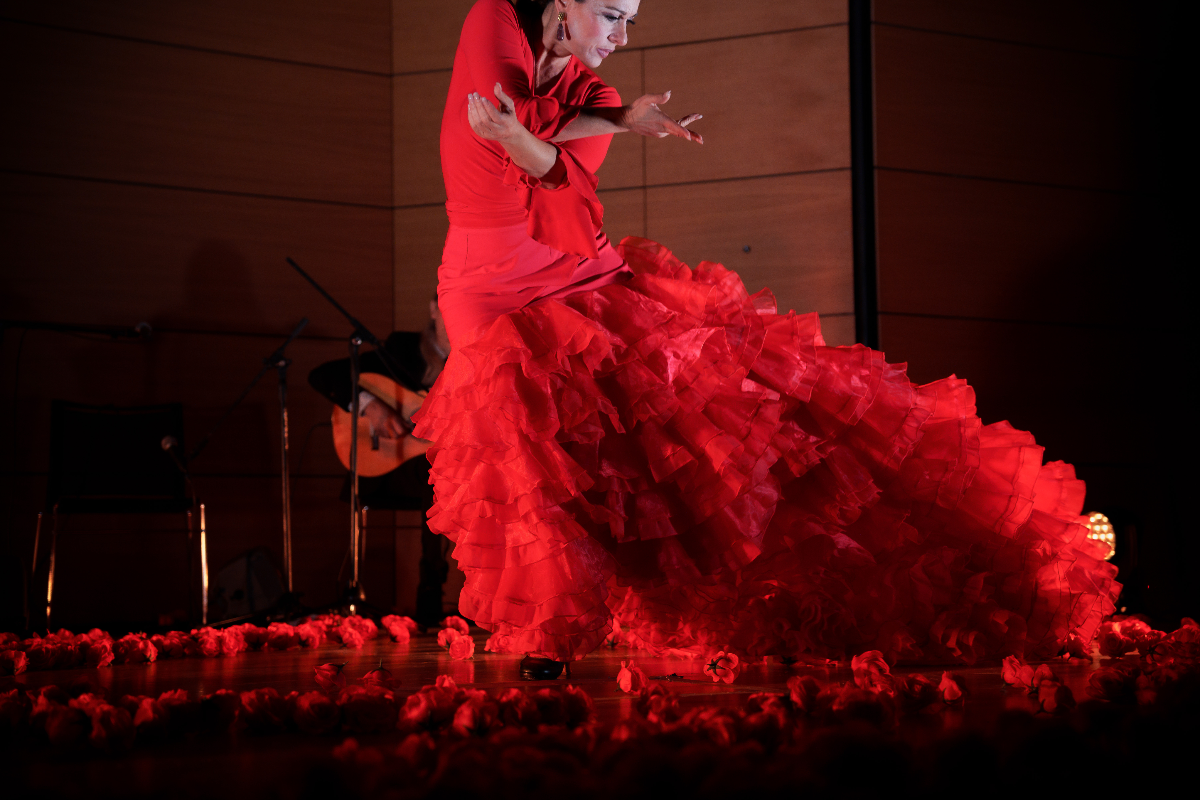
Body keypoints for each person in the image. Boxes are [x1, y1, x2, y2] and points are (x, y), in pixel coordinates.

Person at [413, 0, 1118, 679]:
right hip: (480, 278)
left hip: (576, 273)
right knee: (516, 441)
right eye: (612, 16)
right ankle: (550, 616)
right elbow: (514, 123)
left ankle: (554, 631)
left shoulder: (598, 88)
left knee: (681, 434)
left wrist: (587, 121)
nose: (622, 38)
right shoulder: (495, 18)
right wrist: (605, 123)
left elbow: (549, 169)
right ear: (562, 1)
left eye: (632, 21)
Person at [308, 298, 452, 625]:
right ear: (432, 308)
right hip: (390, 465)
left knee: (449, 467)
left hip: (446, 469)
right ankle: (431, 587)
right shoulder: (401, 350)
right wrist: (371, 405)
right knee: (440, 470)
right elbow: (324, 374)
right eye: (446, 305)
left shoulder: (478, 357)